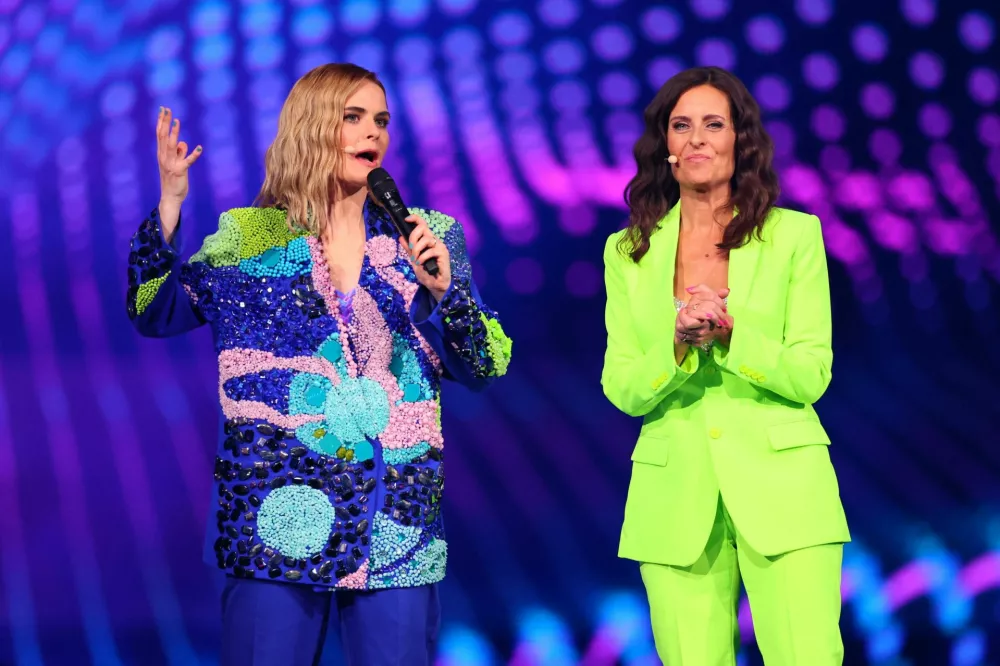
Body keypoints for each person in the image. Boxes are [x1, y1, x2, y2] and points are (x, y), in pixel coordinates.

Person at [126, 63, 512, 666]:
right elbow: (153, 310)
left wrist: (444, 293)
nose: (373, 132)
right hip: (274, 517)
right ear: (311, 128)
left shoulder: (425, 237)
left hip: (395, 523)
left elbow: (484, 364)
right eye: (353, 117)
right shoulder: (250, 240)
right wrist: (169, 207)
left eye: (381, 120)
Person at [601, 66, 850, 665]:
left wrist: (734, 339)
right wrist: (677, 346)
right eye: (681, 125)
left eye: (714, 124)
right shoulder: (628, 251)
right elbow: (622, 385)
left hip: (786, 493)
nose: (697, 139)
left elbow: (811, 372)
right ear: (665, 142)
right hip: (674, 501)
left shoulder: (794, 236)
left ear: (741, 138)